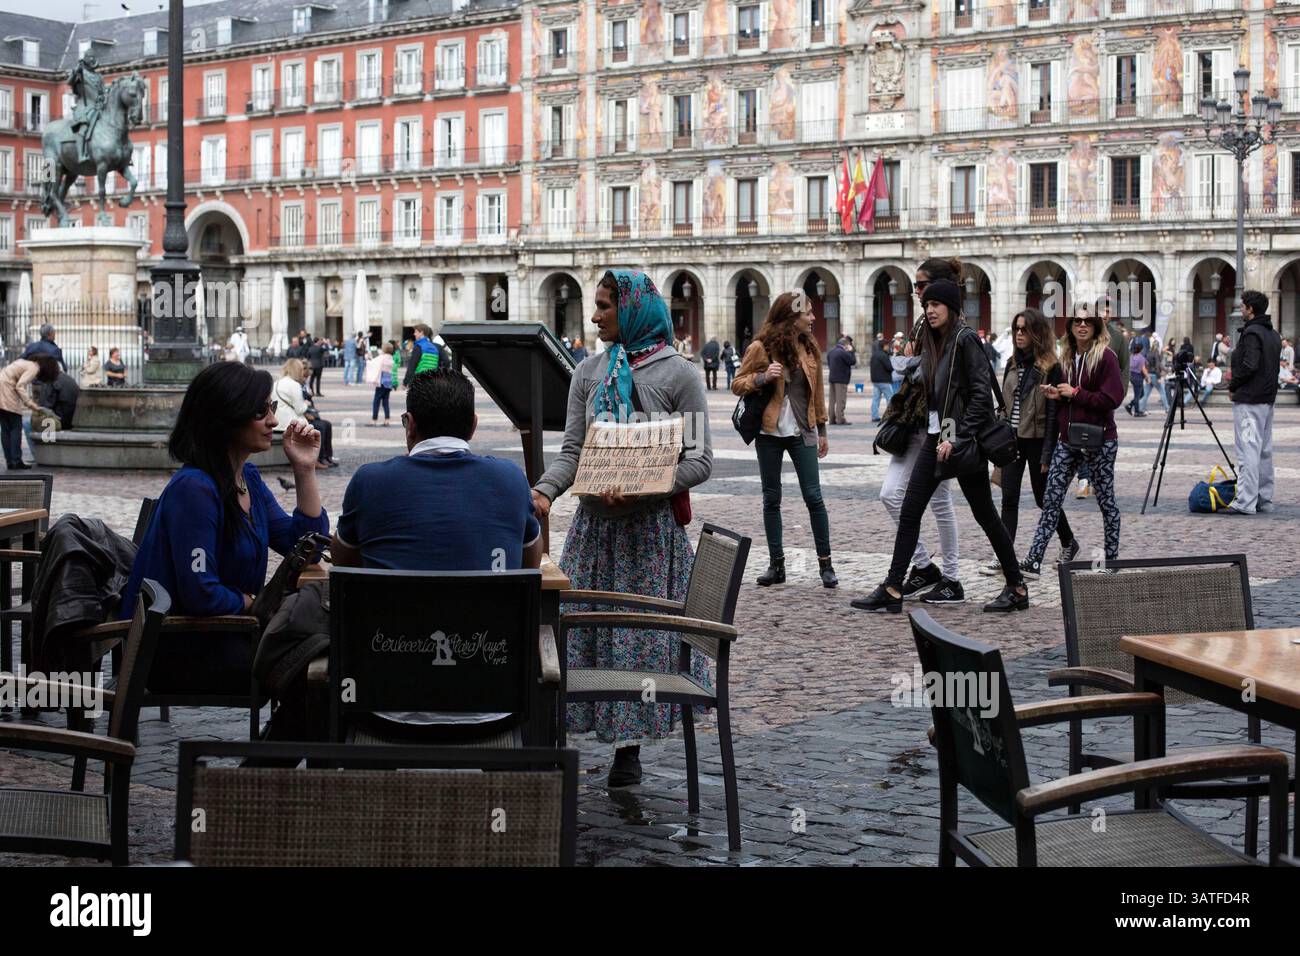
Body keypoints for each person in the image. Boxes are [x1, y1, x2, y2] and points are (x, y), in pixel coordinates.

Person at [531, 269, 713, 788]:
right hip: (595, 531)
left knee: (635, 638)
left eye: (606, 306)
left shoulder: (680, 375)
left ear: (632, 309)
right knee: (591, 635)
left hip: (648, 537)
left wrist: (647, 486)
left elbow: (699, 460)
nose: (595, 316)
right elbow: (573, 451)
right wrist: (545, 490)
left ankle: (627, 751)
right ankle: (578, 731)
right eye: (596, 305)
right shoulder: (587, 372)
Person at [119, 362, 326, 693]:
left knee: (322, 656)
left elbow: (305, 547)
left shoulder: (247, 479)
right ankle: (286, 744)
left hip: (228, 635)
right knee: (315, 672)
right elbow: (201, 593)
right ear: (226, 418)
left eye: (271, 408)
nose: (273, 420)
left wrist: (304, 470)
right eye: (261, 412)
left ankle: (283, 743)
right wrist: (253, 603)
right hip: (182, 647)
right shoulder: (195, 489)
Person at [853, 280, 1027, 613]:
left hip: (961, 444)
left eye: (936, 304)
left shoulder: (965, 340)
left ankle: (1016, 585)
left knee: (986, 515)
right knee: (910, 511)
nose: (930, 310)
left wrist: (955, 436)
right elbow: (939, 400)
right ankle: (892, 587)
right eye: (926, 305)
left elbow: (979, 396)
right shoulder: (937, 343)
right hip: (939, 439)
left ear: (952, 307)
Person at [333, 368, 542, 571]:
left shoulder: (369, 480)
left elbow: (344, 562)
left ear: (410, 424)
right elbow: (530, 563)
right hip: (489, 606)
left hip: (392, 606)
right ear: (473, 425)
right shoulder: (510, 477)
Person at [862, 258, 963, 606]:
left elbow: (946, 377)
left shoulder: (953, 327)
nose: (917, 292)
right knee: (891, 495)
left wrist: (910, 362)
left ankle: (950, 577)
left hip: (938, 428)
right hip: (913, 424)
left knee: (941, 503)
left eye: (921, 286)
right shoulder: (923, 324)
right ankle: (925, 566)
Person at [732, 292, 836, 589]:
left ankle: (825, 565)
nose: (813, 318)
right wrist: (762, 378)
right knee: (771, 498)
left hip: (802, 431)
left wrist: (823, 432)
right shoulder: (761, 347)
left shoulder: (810, 349)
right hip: (769, 433)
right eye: (809, 313)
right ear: (792, 317)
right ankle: (776, 565)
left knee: (814, 497)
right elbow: (737, 384)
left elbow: (817, 394)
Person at [1019, 308, 1124, 576]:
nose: (1082, 325)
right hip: (1068, 440)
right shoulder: (1066, 358)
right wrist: (1058, 395)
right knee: (1050, 497)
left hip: (1100, 440)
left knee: (1106, 501)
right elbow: (1071, 397)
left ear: (1096, 326)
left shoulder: (1106, 358)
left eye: (1088, 321)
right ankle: (1034, 559)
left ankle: (1110, 560)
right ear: (1070, 327)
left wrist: (1075, 393)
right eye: (1077, 321)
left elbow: (1112, 399)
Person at [981, 308, 1078, 573]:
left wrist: (1047, 455)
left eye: (1024, 329)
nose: (1019, 334)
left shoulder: (1051, 368)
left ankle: (1069, 541)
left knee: (1043, 498)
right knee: (1008, 498)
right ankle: (1004, 554)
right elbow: (1004, 403)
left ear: (1037, 333)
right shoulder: (1012, 364)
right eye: (1016, 329)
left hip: (1036, 441)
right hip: (1011, 440)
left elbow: (1052, 416)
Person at [1223, 290, 1282, 515]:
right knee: (1264, 450)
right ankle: (1264, 499)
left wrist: (1233, 385)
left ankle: (1246, 502)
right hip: (1267, 399)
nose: (1240, 308)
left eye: (1243, 305)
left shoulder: (1252, 334)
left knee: (1248, 449)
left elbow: (1249, 365)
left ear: (1250, 309)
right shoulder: (1273, 334)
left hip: (1250, 399)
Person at [274, 358, 337, 469]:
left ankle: (325, 457)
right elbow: (300, 409)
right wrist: (306, 404)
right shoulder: (294, 385)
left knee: (325, 424)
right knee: (320, 427)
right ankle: (319, 459)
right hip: (290, 423)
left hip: (279, 422)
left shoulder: (278, 382)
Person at [0, 355, 59, 470]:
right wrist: (31, 404)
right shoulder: (34, 367)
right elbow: (20, 386)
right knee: (15, 426)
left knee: (6, 429)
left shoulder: (23, 362)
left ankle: (10, 461)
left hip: (1, 388)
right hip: (7, 391)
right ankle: (16, 460)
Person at [829, 336, 858, 425]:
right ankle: (840, 419)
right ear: (846, 344)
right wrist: (851, 351)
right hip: (841, 379)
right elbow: (852, 361)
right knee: (840, 400)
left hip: (832, 378)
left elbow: (829, 362)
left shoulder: (832, 351)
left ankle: (832, 418)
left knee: (832, 400)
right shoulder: (843, 352)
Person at [367, 341, 396, 426]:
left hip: (382, 382)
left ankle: (374, 420)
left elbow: (373, 362)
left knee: (376, 401)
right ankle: (387, 420)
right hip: (389, 383)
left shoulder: (382, 357)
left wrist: (368, 359)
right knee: (385, 402)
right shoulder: (391, 358)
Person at [869, 335, 895, 423]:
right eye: (887, 346)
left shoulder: (874, 355)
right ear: (884, 346)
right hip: (884, 380)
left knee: (875, 399)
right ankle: (890, 415)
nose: (888, 347)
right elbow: (889, 367)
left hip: (875, 380)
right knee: (890, 398)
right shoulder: (883, 356)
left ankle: (874, 416)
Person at [1124, 340, 1149, 417]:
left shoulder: (1131, 356)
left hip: (1132, 376)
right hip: (1138, 377)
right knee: (1138, 395)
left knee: (1139, 394)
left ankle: (1133, 407)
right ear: (1141, 349)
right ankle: (1134, 409)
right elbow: (1143, 368)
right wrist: (1147, 377)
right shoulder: (1141, 358)